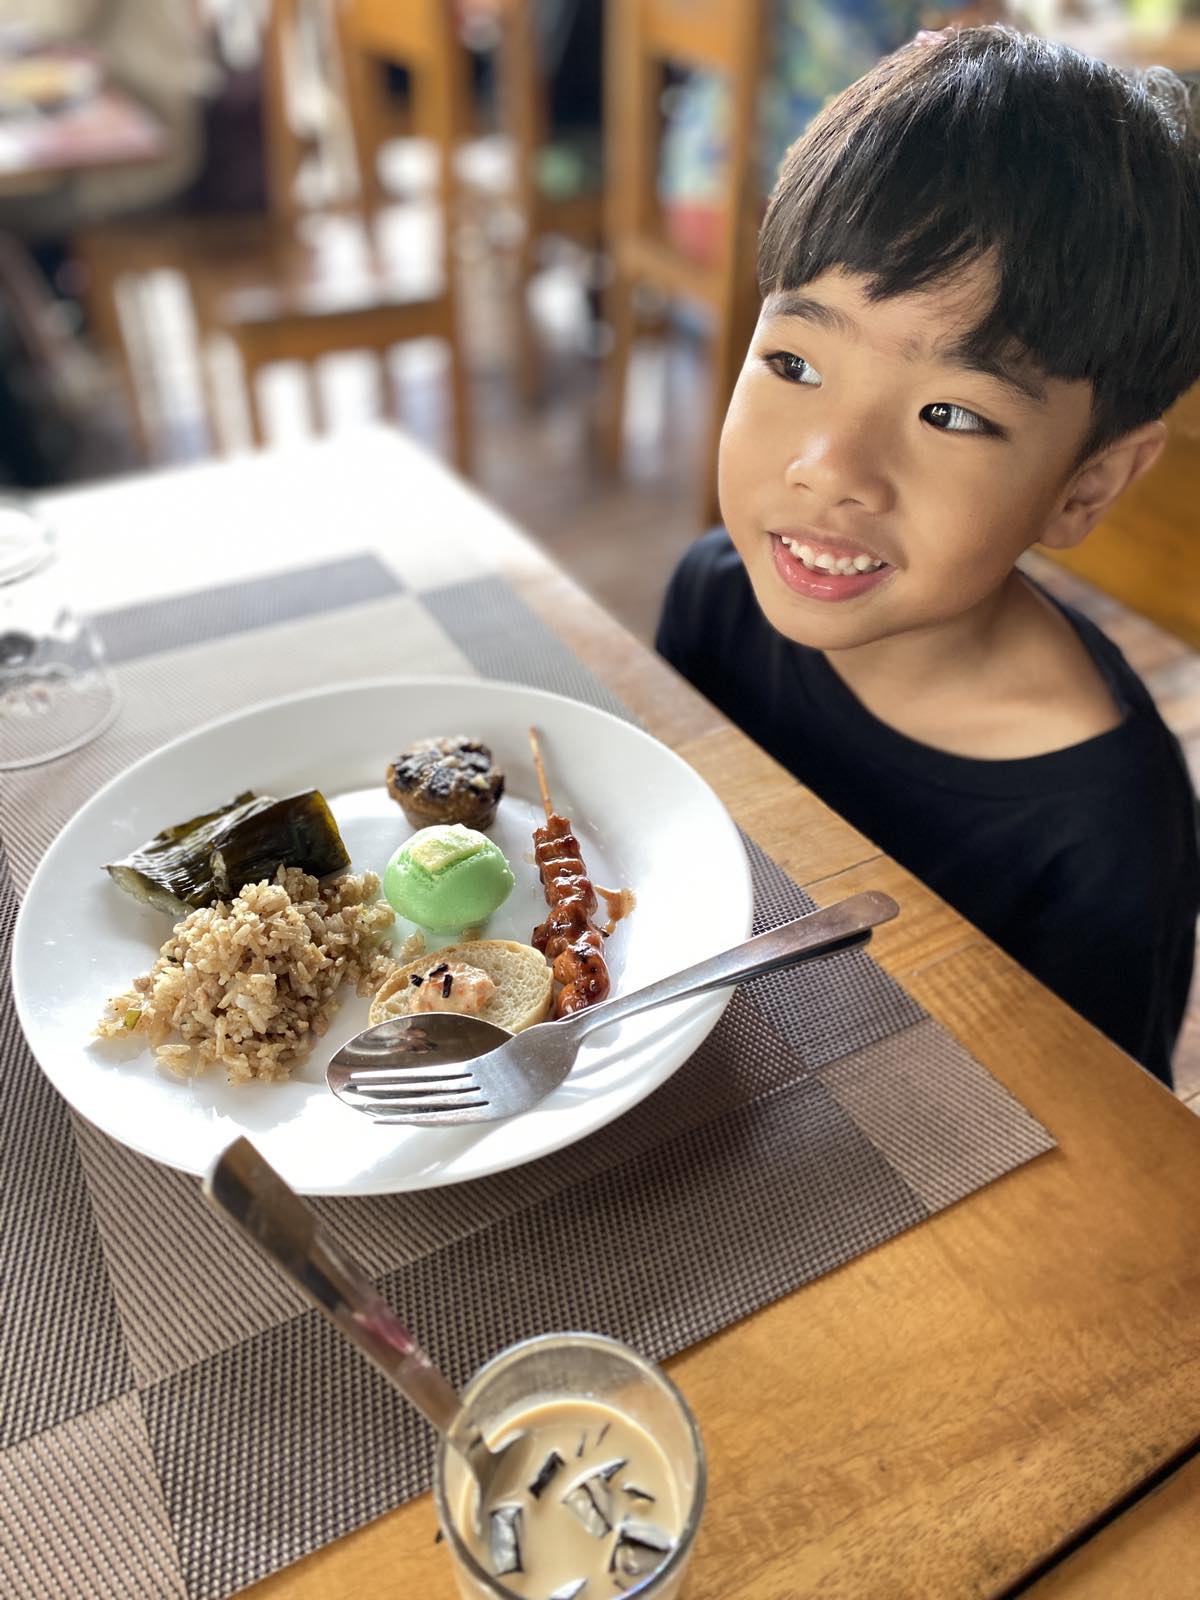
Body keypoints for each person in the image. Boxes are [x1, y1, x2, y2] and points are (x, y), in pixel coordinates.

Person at [655, 25, 1200, 1087]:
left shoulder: (1105, 826)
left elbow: (1100, 1155)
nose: (831, 467)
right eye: (794, 360)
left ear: (1087, 483)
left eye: (951, 412)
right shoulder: (714, 596)